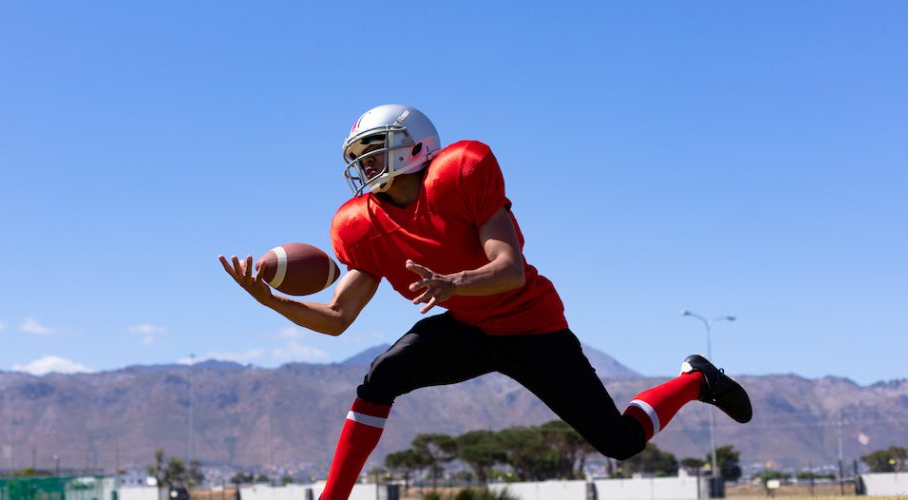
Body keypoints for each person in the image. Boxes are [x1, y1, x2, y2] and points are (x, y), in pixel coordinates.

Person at [219, 104, 752, 500]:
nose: (365, 164)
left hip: (531, 325)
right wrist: (269, 301)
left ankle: (695, 381)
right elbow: (336, 318)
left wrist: (453, 283)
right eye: (360, 156)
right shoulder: (360, 224)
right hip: (469, 327)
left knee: (618, 442)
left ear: (413, 146)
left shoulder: (461, 172)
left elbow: (510, 270)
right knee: (380, 377)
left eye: (373, 150)